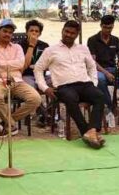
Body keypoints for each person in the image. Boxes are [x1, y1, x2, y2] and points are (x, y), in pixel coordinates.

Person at [34, 20, 106, 149]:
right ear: (62, 31)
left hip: (85, 84)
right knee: (71, 98)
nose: (68, 35)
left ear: (77, 34)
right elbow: (38, 69)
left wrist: (93, 84)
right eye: (66, 31)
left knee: (99, 96)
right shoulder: (50, 50)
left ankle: (92, 130)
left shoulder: (83, 48)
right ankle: (86, 131)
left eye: (72, 33)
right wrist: (45, 88)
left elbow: (92, 67)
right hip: (63, 87)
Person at [0, 19, 42, 138]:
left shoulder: (17, 47)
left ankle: (7, 123)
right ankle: (11, 125)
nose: (7, 34)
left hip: (17, 81)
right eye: (5, 31)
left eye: (10, 32)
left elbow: (21, 64)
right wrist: (11, 65)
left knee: (36, 99)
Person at [87, 15, 119, 106]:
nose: (107, 30)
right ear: (101, 25)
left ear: (113, 26)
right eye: (105, 27)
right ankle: (108, 106)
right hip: (98, 70)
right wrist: (106, 73)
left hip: (113, 68)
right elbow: (93, 61)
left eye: (110, 28)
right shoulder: (92, 40)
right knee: (100, 79)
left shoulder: (116, 40)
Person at [20, 19, 49, 91]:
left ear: (40, 34)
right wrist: (31, 45)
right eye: (31, 30)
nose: (34, 33)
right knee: (30, 88)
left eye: (36, 31)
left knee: (58, 83)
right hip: (28, 75)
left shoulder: (44, 45)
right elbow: (24, 65)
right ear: (27, 32)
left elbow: (48, 64)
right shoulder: (20, 45)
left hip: (42, 75)